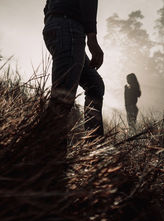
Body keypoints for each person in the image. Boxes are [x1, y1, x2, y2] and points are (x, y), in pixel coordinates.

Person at [42, 0, 105, 146]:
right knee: (63, 96)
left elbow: (47, 7)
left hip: (60, 26)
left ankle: (94, 146)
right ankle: (46, 155)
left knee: (95, 85)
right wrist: (92, 39)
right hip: (68, 27)